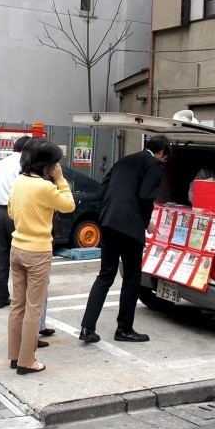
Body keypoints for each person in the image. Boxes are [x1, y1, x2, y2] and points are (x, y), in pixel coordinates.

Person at [79, 135, 171, 344]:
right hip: (130, 226)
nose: (163, 163)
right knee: (131, 277)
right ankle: (124, 329)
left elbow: (103, 189)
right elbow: (146, 196)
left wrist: (105, 214)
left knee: (105, 275)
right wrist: (146, 222)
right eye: (165, 160)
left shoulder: (123, 161)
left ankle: (87, 327)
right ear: (162, 153)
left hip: (109, 221)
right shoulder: (154, 164)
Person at [7, 138, 75, 375]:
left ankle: (15, 356)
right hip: (38, 251)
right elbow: (68, 205)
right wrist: (61, 179)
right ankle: (27, 361)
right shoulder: (45, 187)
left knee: (18, 305)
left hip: (17, 247)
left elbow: (11, 210)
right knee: (34, 308)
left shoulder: (19, 181)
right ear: (47, 164)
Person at [0, 135, 30, 309]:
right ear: (26, 150)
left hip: (0, 211)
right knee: (23, 256)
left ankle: (0, 297)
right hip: (17, 212)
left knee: (2, 256)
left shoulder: (1, 163)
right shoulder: (22, 165)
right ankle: (22, 296)